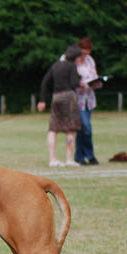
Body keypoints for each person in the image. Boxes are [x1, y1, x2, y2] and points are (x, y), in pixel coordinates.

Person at [38, 44, 83, 167]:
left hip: (56, 97)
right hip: (68, 97)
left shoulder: (55, 65)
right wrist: (81, 82)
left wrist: (42, 100)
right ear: (75, 56)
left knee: (53, 129)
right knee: (70, 129)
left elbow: (44, 82)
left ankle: (52, 159)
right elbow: (74, 83)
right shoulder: (72, 66)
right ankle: (69, 159)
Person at [74, 37, 102, 165]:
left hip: (89, 99)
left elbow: (94, 77)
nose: (87, 53)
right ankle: (90, 155)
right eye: (85, 50)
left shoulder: (90, 60)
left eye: (88, 51)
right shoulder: (71, 59)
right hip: (76, 99)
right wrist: (80, 84)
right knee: (86, 127)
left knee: (83, 129)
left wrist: (96, 83)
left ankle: (80, 157)